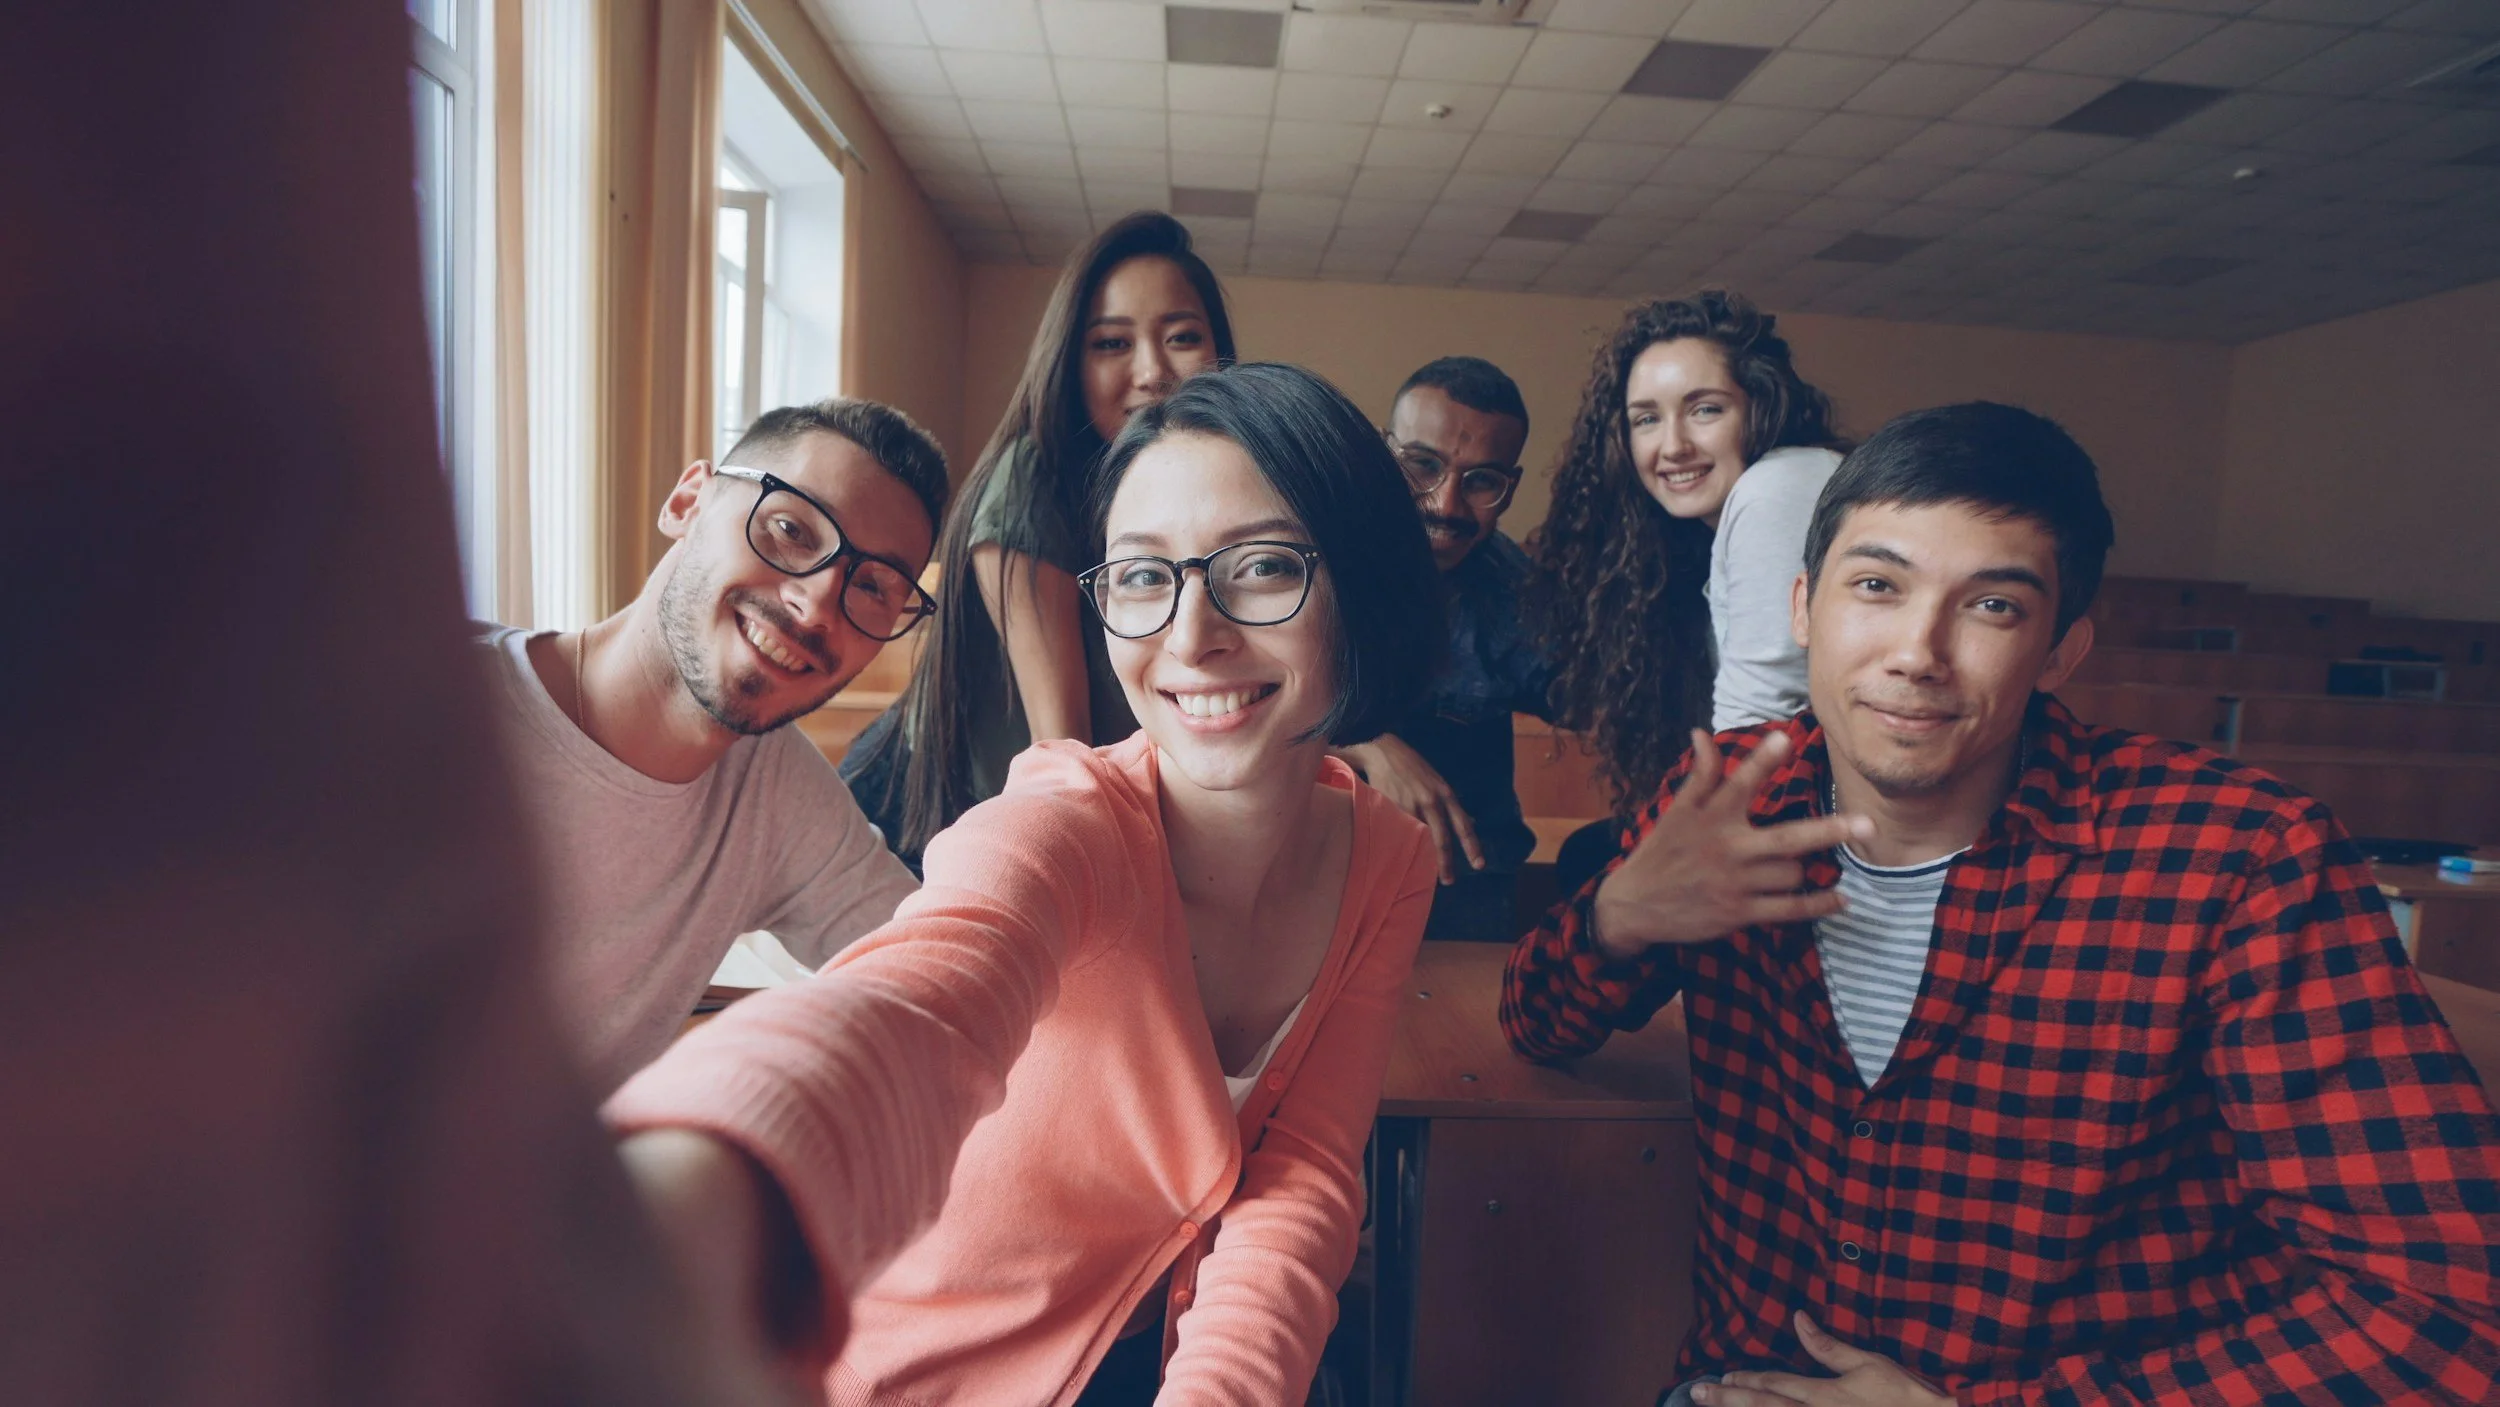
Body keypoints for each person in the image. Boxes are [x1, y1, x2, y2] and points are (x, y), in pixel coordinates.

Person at [1503, 403, 2500, 1406]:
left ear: (2061, 651)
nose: (1916, 652)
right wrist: (1617, 917)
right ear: (1803, 607)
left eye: (1991, 607)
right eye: (1877, 587)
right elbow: (1534, 1017)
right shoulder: (1720, 803)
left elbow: (2450, 1312)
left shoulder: (2235, 858)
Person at [605, 363, 1445, 1404]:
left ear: (1359, 582)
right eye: (1142, 577)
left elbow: (1303, 1177)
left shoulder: (1389, 860)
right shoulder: (1065, 819)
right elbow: (919, 1007)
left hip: (1137, 1353)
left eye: (1263, 567)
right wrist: (718, 1171)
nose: (1191, 637)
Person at [483, 396, 942, 1092]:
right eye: (791, 528)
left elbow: (936, 979)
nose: (817, 603)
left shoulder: (777, 793)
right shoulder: (431, 704)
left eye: (874, 585)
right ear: (687, 501)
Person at [843, 210, 1236, 865]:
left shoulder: (1193, 500)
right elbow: (1064, 752)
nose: (1152, 371)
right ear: (1069, 362)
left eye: (1183, 337)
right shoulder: (1033, 480)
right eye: (1111, 343)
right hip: (914, 824)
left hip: (1031, 824)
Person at [1533, 291, 1847, 833]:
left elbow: (1757, 718)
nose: (1673, 445)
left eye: (1705, 409)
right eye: (1647, 419)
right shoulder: (1730, 514)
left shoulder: (1777, 486)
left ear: (1762, 406)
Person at [1340, 356, 1553, 941]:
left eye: (1482, 480)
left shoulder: (1525, 594)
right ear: (1386, 455)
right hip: (1312, 875)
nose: (1446, 504)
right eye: (1422, 465)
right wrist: (1369, 745)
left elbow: (1608, 708)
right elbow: (1247, 693)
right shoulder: (1315, 553)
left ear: (1509, 489)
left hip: (1466, 887)